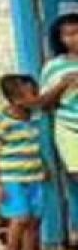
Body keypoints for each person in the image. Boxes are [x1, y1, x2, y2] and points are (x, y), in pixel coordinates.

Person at [0, 75, 46, 250]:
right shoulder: (0, 122)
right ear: (16, 100)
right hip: (13, 180)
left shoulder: (35, 118)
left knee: (34, 220)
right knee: (19, 220)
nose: (37, 98)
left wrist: (44, 168)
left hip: (35, 178)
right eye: (32, 95)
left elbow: (37, 147)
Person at [39, 13, 78, 180]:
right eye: (69, 34)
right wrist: (62, 85)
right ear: (60, 39)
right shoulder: (54, 67)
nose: (75, 38)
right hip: (70, 128)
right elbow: (44, 104)